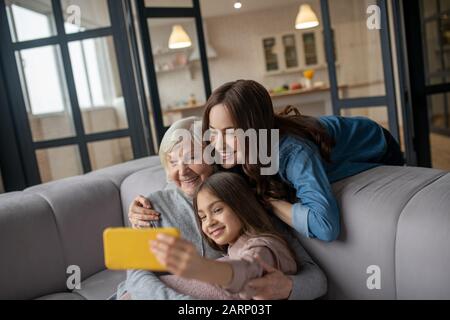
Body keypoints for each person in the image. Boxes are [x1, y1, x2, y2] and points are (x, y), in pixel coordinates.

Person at [121, 117, 327, 300]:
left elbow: (316, 278)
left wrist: (288, 287)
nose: (182, 171)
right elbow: (135, 275)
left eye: (192, 157)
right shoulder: (150, 207)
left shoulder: (243, 200)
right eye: (173, 162)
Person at [202, 79, 405, 242]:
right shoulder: (239, 151)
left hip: (377, 145)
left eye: (230, 133)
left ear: (254, 130)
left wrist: (270, 203)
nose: (218, 145)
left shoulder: (293, 152)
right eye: (213, 132)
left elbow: (326, 227)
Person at [151, 172, 297, 299]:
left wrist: (200, 267)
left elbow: (249, 269)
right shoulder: (235, 246)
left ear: (242, 206)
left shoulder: (264, 245)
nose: (209, 222)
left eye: (217, 210)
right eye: (202, 217)